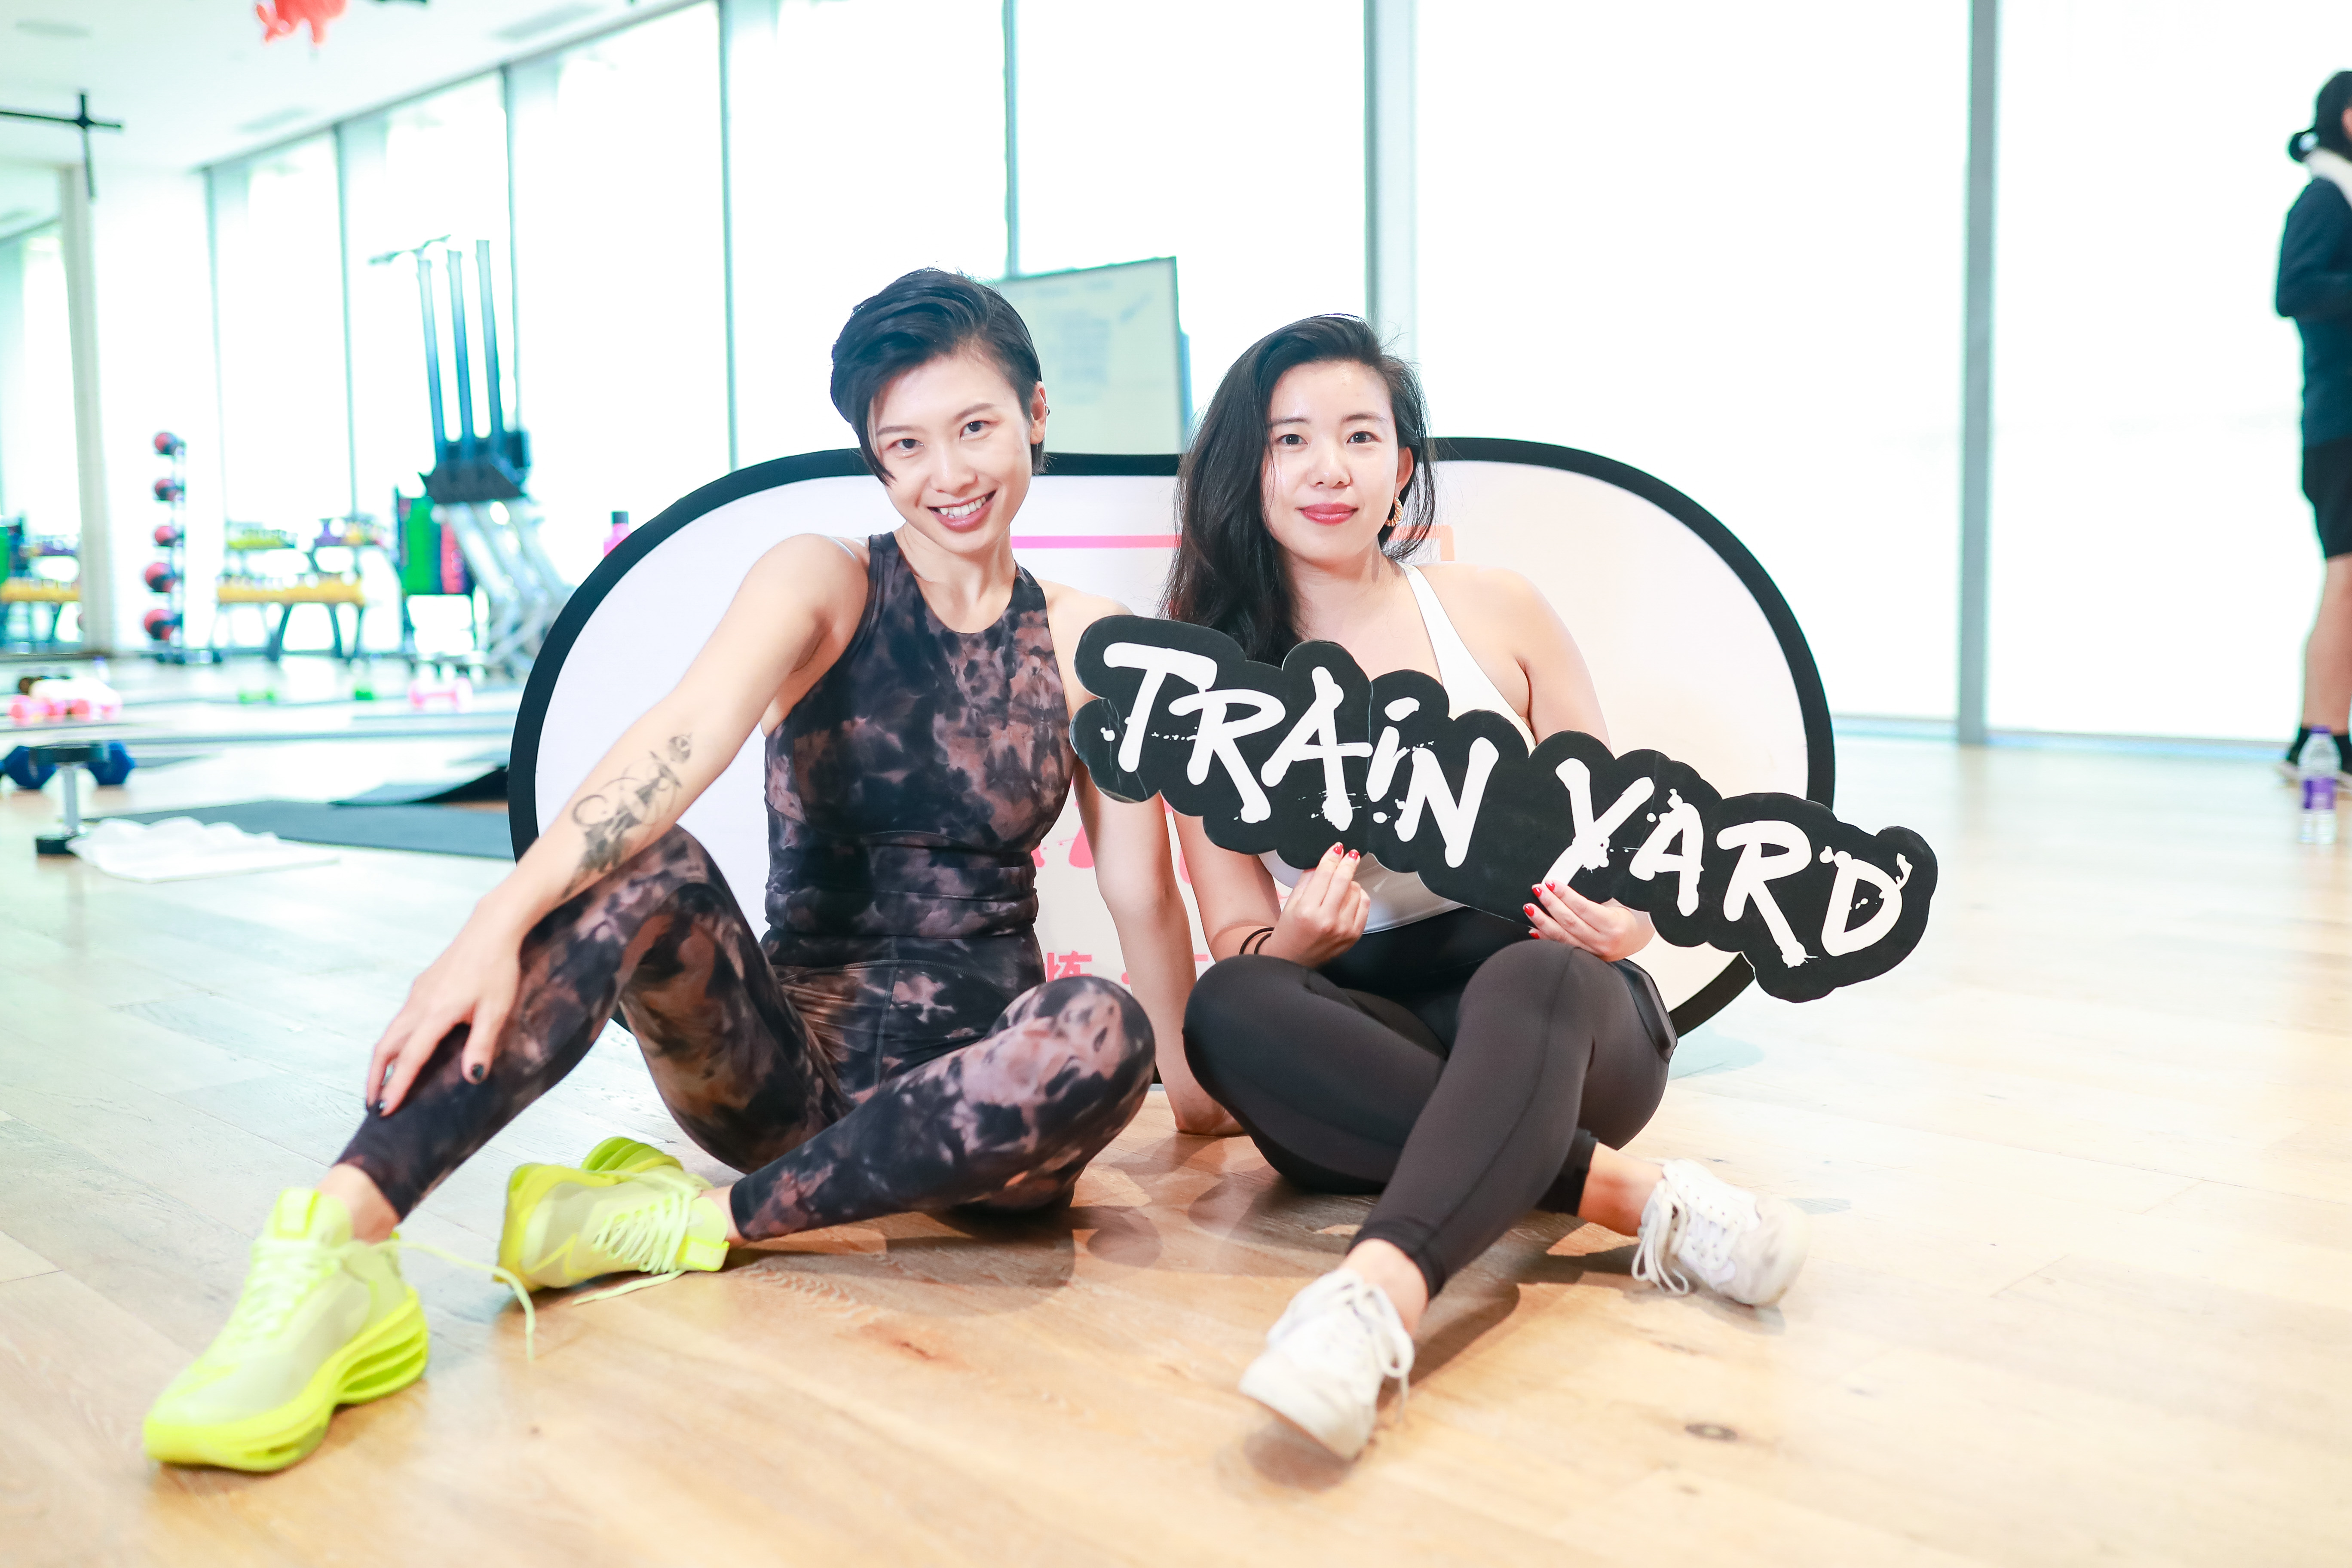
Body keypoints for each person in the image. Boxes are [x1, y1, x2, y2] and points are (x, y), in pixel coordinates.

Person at [143, 270, 1207, 1473]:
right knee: (646, 860)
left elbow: (1140, 892)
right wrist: (493, 923)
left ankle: (685, 1225)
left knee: (1101, 1024)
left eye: (975, 428)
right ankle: (334, 1250)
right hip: (781, 1083)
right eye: (905, 444)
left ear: (1036, 413)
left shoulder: (1084, 636)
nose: (947, 474)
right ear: (872, 453)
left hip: (983, 1127)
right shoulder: (827, 578)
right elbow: (684, 735)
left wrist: (1197, 1095)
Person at [1165, 315, 1811, 1461]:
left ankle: (1375, 1298)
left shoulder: (1496, 609)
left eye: (1360, 436)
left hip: (1557, 1012)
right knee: (1227, 1008)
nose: (1328, 468)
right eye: (1290, 440)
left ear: (1402, 463)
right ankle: (1636, 1200)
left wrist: (1627, 921)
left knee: (1536, 975)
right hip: (1359, 1046)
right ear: (1243, 470)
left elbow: (1622, 840)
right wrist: (1299, 943)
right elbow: (1236, 939)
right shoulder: (1207, 688)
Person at [2278, 71, 2352, 784]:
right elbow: (2293, 288)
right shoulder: (2327, 197)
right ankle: (2318, 740)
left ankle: (2325, 736)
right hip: (2341, 426)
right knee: (2347, 577)